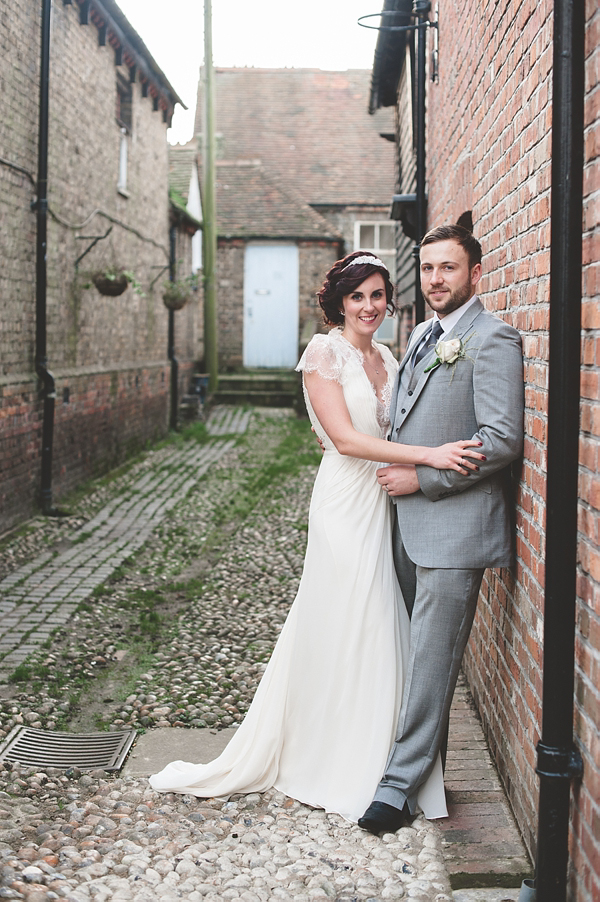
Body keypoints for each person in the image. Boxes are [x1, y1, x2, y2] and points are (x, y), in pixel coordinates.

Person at [149, 250, 484, 823]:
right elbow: (346, 440)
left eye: (378, 295)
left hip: (387, 502)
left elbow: (403, 419)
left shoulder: (388, 356)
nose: (369, 306)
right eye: (358, 296)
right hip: (345, 502)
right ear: (339, 301)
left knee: (384, 619)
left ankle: (383, 756)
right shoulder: (322, 353)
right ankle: (329, 757)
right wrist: (431, 456)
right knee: (352, 614)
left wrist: (420, 466)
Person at [358, 225, 524, 835]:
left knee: (432, 660)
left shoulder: (493, 339)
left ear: (474, 273)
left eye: (448, 268)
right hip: (405, 526)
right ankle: (420, 774)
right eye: (427, 269)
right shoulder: (427, 333)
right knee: (410, 651)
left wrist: (421, 480)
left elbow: (502, 438)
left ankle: (398, 789)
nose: (435, 280)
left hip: (455, 528)